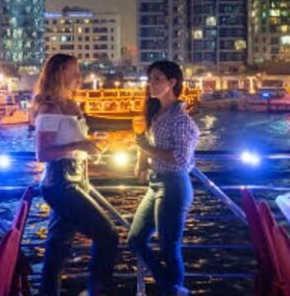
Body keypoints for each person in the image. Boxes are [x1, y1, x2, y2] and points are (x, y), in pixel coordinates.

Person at [31, 53, 118, 295]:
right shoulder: (49, 107)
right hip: (59, 182)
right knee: (108, 235)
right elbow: (43, 153)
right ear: (59, 73)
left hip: (79, 178)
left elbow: (73, 142)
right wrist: (79, 146)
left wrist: (89, 147)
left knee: (59, 244)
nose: (78, 76)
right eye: (74, 70)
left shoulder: (71, 103)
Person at [128, 60, 200, 295]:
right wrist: (142, 160)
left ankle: (174, 290)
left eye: (158, 79)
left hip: (174, 185)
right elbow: (148, 144)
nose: (152, 84)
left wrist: (147, 149)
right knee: (136, 239)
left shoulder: (181, 119)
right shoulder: (155, 113)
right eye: (150, 79)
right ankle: (171, 288)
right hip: (156, 183)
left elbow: (180, 159)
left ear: (172, 82)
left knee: (169, 247)